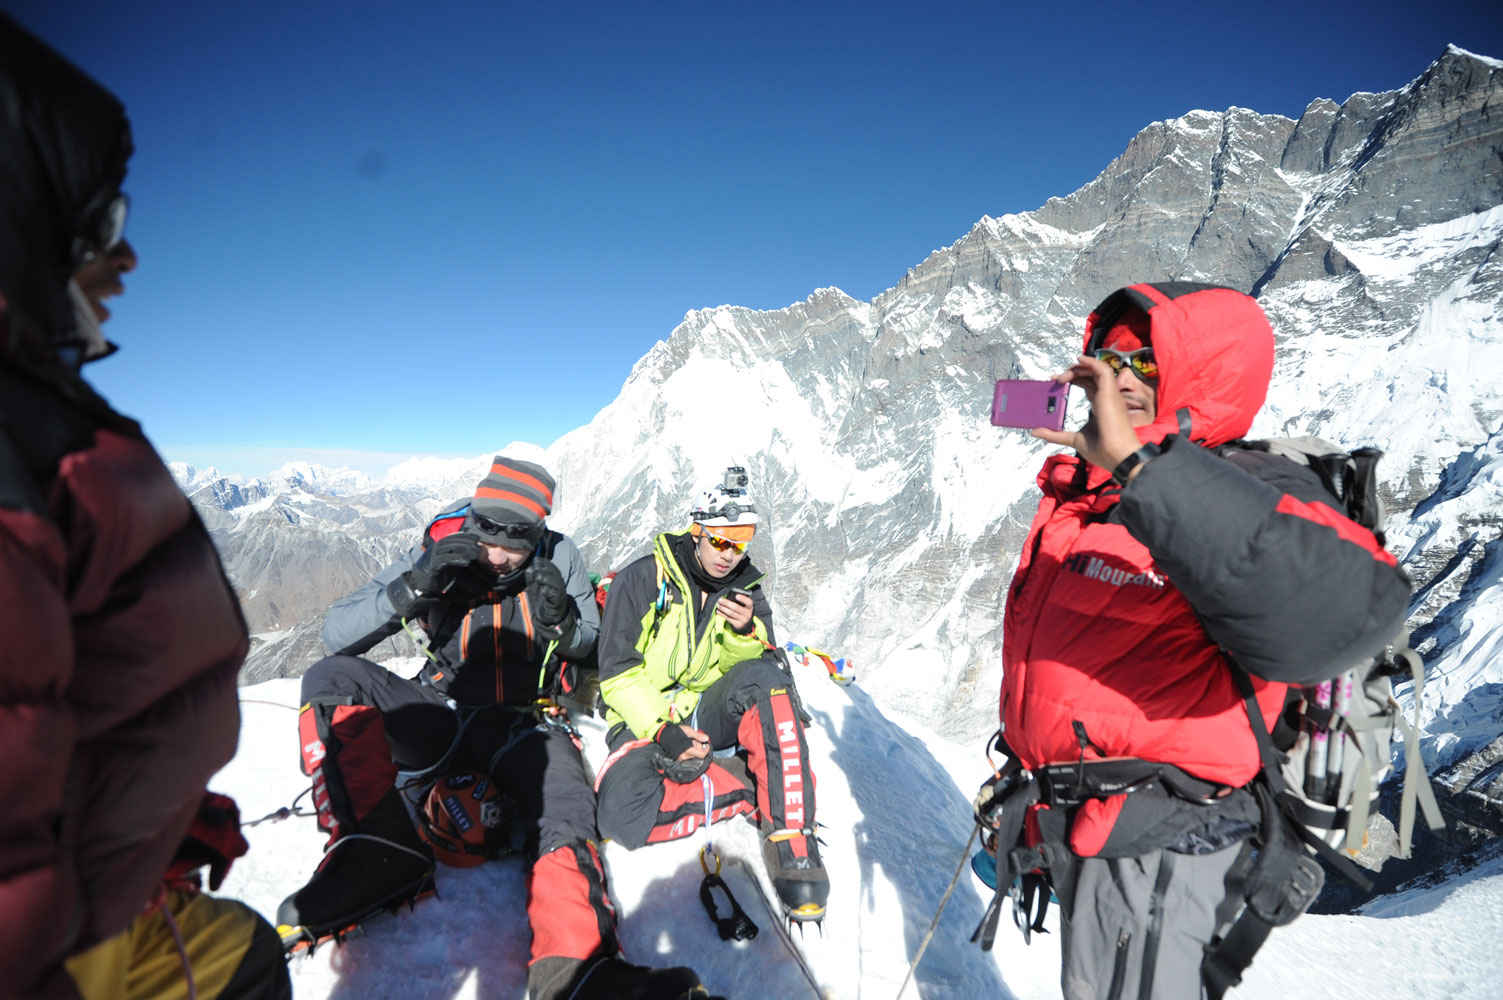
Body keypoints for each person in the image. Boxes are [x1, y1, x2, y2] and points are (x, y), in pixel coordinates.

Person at [978, 282, 1412, 999]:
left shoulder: (1245, 487)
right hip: (1095, 832)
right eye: (1103, 356)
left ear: (1200, 373)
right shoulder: (1090, 495)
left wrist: (1141, 466)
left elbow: (1351, 606)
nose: (1116, 377)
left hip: (1167, 840)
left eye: (1143, 363)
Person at [0, 14, 289, 1000]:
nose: (128, 262)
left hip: (104, 899)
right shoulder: (21, 442)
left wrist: (147, 814)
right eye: (105, 223)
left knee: (247, 955)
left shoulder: (38, 419)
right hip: (57, 956)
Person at [277, 456, 714, 1000]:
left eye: (518, 538)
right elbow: (336, 634)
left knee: (564, 805)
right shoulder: (439, 546)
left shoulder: (562, 554)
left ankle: (576, 969)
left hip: (525, 723)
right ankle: (376, 854)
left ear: (539, 533)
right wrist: (415, 585)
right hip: (442, 713)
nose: (499, 553)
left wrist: (564, 623)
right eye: (487, 531)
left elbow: (593, 646)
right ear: (473, 518)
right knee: (332, 679)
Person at [594, 468, 830, 924]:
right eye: (720, 541)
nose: (729, 555)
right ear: (697, 530)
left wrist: (745, 632)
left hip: (702, 709)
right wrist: (663, 730)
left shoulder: (746, 594)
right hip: (645, 717)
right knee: (622, 814)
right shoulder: (643, 579)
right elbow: (618, 675)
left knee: (766, 676)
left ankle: (792, 837)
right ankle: (755, 785)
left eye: (739, 543)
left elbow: (751, 673)